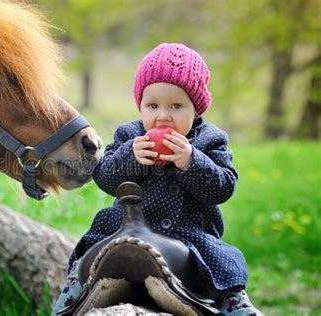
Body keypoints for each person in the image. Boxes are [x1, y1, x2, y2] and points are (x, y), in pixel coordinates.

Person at [53, 43, 261, 315]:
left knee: (223, 264)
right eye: (152, 105)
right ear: (140, 105)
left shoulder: (211, 140)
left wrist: (191, 160)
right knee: (87, 252)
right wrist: (130, 156)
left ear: (196, 109)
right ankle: (70, 300)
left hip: (189, 234)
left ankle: (235, 304)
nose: (163, 116)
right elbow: (104, 177)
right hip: (125, 227)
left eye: (176, 105)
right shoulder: (130, 136)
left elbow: (223, 187)